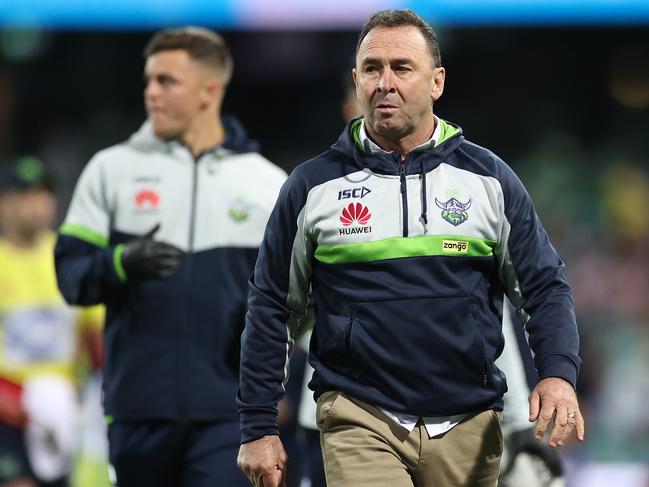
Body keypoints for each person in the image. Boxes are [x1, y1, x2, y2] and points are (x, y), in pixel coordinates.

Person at [237, 9, 584, 487]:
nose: (385, 82)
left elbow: (544, 287)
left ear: (436, 81)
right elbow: (272, 304)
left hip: (469, 422)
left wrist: (558, 375)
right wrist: (257, 424)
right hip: (358, 415)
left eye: (402, 67)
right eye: (372, 69)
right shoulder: (311, 188)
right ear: (355, 81)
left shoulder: (489, 180)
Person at [54, 27, 286, 487]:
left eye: (166, 81)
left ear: (209, 91)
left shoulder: (268, 184)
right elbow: (69, 275)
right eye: (148, 81)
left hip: (229, 414)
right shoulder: (110, 170)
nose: (151, 93)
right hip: (137, 410)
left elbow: (294, 302)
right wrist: (119, 263)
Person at [0, 156, 104, 487]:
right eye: (26, 194)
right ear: (5, 204)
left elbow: (97, 336)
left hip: (63, 407)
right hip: (7, 406)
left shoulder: (70, 259)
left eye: (44, 193)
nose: (37, 204)